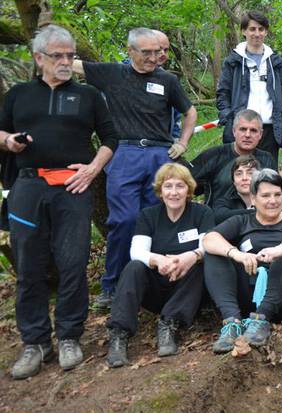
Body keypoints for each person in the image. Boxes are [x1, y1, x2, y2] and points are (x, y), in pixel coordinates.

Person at [1, 25, 118, 379]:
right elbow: (1, 131)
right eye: (59, 56)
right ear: (39, 58)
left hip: (72, 189)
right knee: (29, 265)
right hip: (28, 187)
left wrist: (93, 169)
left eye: (70, 55)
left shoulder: (88, 95)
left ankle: (69, 335)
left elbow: (111, 137)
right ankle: (35, 342)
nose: (67, 61)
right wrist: (9, 143)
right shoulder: (19, 95)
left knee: (73, 261)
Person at [72, 28, 197, 310]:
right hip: (124, 153)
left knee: (158, 220)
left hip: (158, 153)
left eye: (157, 51)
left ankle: (156, 281)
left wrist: (183, 142)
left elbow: (190, 112)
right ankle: (113, 285)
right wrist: (47, 48)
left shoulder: (167, 80)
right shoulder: (112, 73)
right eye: (147, 52)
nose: (155, 57)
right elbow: (71, 64)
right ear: (131, 52)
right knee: (125, 220)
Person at [105, 164, 214, 367]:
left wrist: (190, 256)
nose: (174, 192)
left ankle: (169, 325)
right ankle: (119, 334)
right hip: (156, 285)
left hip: (187, 290)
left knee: (201, 265)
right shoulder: (149, 215)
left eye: (180, 186)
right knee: (134, 267)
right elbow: (137, 251)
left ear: (188, 189)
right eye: (168, 186)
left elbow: (208, 245)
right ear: (160, 191)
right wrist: (159, 260)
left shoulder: (202, 213)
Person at [203, 169, 282, 351]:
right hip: (249, 290)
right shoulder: (242, 221)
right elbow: (209, 239)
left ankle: (262, 318)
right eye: (265, 196)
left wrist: (281, 248)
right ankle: (232, 323)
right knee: (214, 253)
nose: (272, 201)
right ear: (254, 199)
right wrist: (237, 254)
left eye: (277, 194)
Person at [217, 10, 282, 163]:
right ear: (243, 31)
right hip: (243, 129)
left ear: (266, 31)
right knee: (240, 176)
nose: (257, 34)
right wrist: (228, 117)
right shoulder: (233, 61)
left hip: (270, 129)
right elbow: (223, 93)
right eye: (252, 29)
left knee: (268, 178)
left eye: (261, 29)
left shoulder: (276, 62)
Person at [191, 109, 276, 207]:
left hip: (255, 219)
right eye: (243, 129)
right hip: (219, 218)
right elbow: (183, 183)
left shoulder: (267, 159)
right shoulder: (213, 156)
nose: (247, 135)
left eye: (253, 130)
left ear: (260, 134)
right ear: (234, 131)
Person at [214, 155, 260, 224]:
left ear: (259, 178)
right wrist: (258, 212)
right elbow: (219, 217)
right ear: (234, 181)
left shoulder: (269, 198)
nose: (244, 178)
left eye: (250, 173)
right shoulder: (223, 202)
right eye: (239, 174)